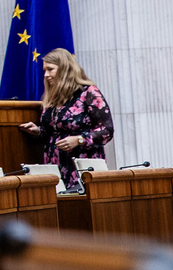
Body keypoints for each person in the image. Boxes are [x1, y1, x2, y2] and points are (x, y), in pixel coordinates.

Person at [19, 48, 114, 191]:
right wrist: (37, 131)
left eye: (50, 69)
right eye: (45, 70)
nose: (46, 75)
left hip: (82, 168)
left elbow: (107, 130)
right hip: (55, 169)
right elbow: (53, 131)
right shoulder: (52, 97)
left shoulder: (88, 92)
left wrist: (79, 140)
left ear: (64, 70)